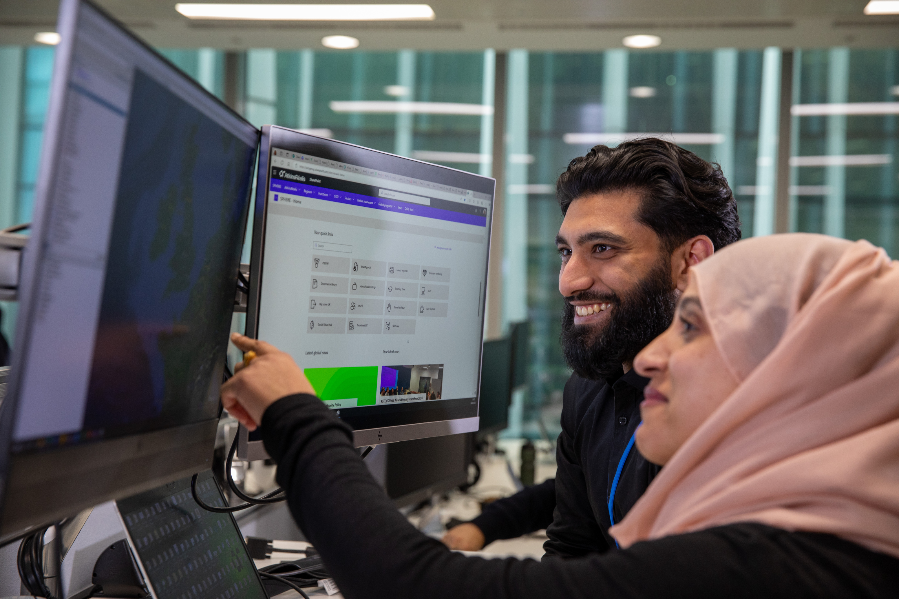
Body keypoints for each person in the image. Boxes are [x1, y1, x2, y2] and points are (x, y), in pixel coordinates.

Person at [221, 233, 899, 598]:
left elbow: (407, 586)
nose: (647, 358)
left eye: (690, 327)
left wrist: (292, 408)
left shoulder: (764, 565)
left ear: (788, 372)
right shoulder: (825, 533)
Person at [444, 137, 741, 553]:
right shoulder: (588, 389)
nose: (569, 281)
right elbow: (571, 551)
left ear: (691, 262)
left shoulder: (737, 409)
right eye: (567, 252)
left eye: (602, 248)